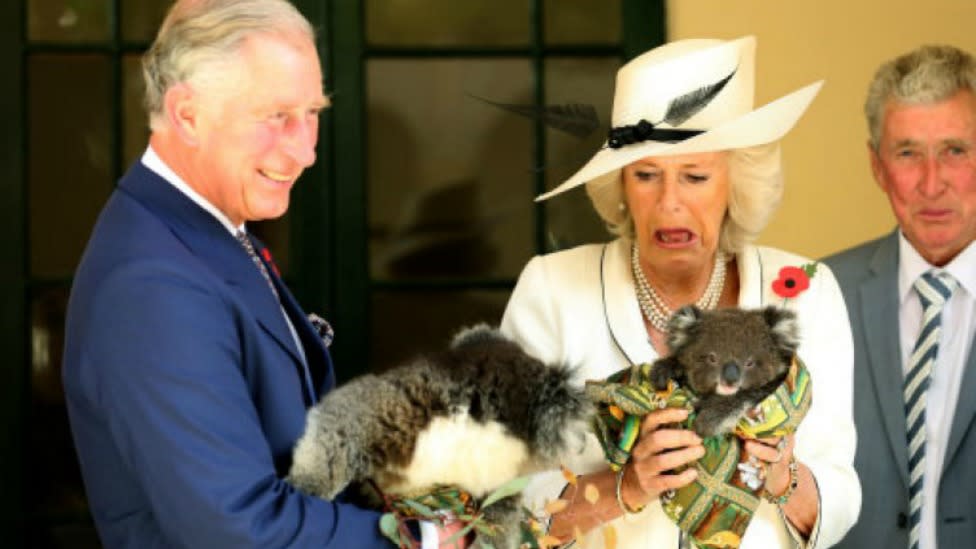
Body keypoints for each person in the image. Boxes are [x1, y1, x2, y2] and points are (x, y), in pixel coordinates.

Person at [62, 1, 463, 547]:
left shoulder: (204, 228)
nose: (304, 151)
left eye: (312, 113)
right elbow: (235, 527)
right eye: (276, 117)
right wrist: (424, 539)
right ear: (187, 115)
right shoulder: (152, 285)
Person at [500, 36, 860, 548]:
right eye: (646, 176)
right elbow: (503, 501)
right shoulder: (552, 290)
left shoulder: (806, 291)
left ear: (735, 184)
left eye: (694, 176)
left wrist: (784, 477)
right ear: (621, 187)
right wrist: (625, 485)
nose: (669, 204)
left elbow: (841, 494)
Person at [826, 44, 976, 549]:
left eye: (955, 150)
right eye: (908, 153)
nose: (932, 184)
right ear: (876, 165)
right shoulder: (822, 293)